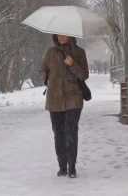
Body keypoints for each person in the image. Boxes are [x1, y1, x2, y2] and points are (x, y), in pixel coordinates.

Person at [39, 34, 89, 178]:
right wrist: (45, 79)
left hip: (73, 99)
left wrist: (72, 64)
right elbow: (42, 70)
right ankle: (62, 166)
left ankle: (72, 167)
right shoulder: (50, 52)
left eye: (64, 34)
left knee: (71, 132)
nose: (61, 37)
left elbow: (84, 75)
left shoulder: (79, 52)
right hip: (54, 99)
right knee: (58, 134)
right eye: (59, 35)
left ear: (70, 35)